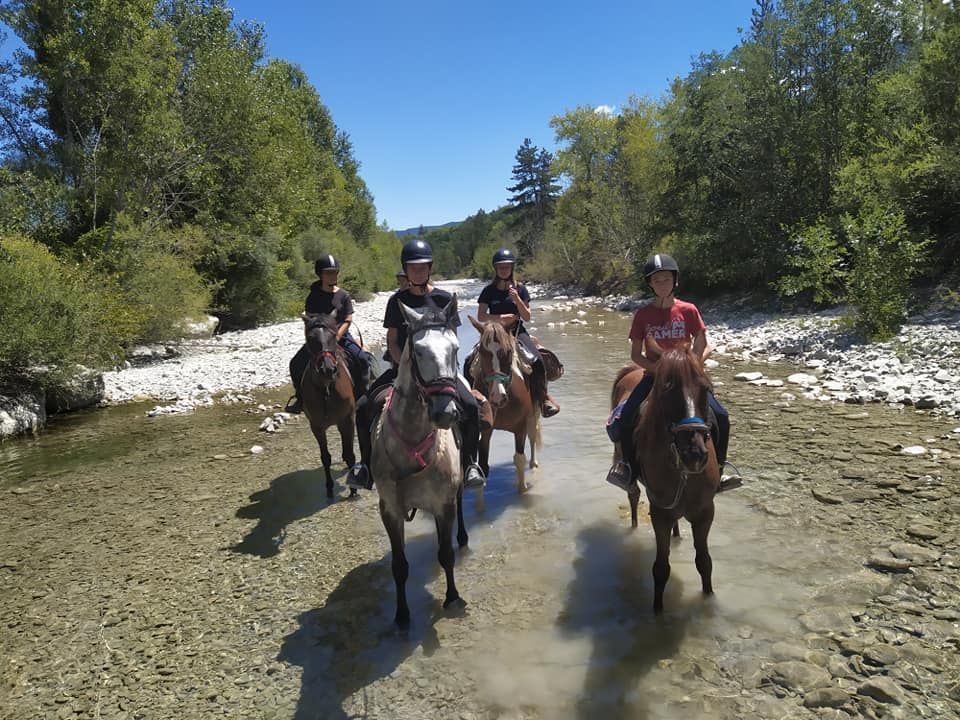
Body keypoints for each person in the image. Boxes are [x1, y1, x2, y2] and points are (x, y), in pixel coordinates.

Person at [347, 239, 486, 490]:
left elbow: (452, 339)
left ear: (430, 268)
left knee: (471, 406)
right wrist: (405, 367)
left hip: (441, 373)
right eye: (413, 268)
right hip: (402, 372)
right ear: (406, 270)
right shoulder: (396, 301)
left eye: (423, 267)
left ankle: (469, 465)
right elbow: (392, 341)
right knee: (364, 406)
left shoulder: (445, 299)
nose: (418, 272)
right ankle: (365, 467)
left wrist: (442, 371)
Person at [605, 253, 739, 492]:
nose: (662, 284)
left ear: (675, 281)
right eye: (657, 280)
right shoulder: (643, 315)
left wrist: (691, 367)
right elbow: (636, 355)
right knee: (624, 419)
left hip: (687, 380)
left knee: (721, 416)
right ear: (650, 284)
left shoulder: (688, 310)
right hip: (654, 378)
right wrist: (661, 370)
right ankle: (627, 469)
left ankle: (719, 470)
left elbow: (704, 344)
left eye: (666, 279)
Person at [477, 248, 560, 417]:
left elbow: (527, 316)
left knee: (537, 361)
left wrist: (517, 300)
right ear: (496, 269)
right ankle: (474, 402)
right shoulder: (488, 290)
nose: (504, 270)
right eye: (501, 267)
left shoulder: (521, 289)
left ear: (512, 268)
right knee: (471, 362)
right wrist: (499, 318)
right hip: (494, 334)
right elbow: (481, 316)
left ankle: (543, 398)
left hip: (516, 332)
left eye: (507, 267)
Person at [285, 254, 372, 414]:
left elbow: (348, 319)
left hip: (340, 336)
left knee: (362, 359)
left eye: (334, 272)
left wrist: (337, 336)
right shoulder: (313, 296)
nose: (332, 276)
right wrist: (312, 341)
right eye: (328, 273)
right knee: (295, 363)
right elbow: (309, 321)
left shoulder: (343, 295)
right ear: (320, 274)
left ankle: (363, 395)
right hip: (319, 339)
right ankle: (300, 398)